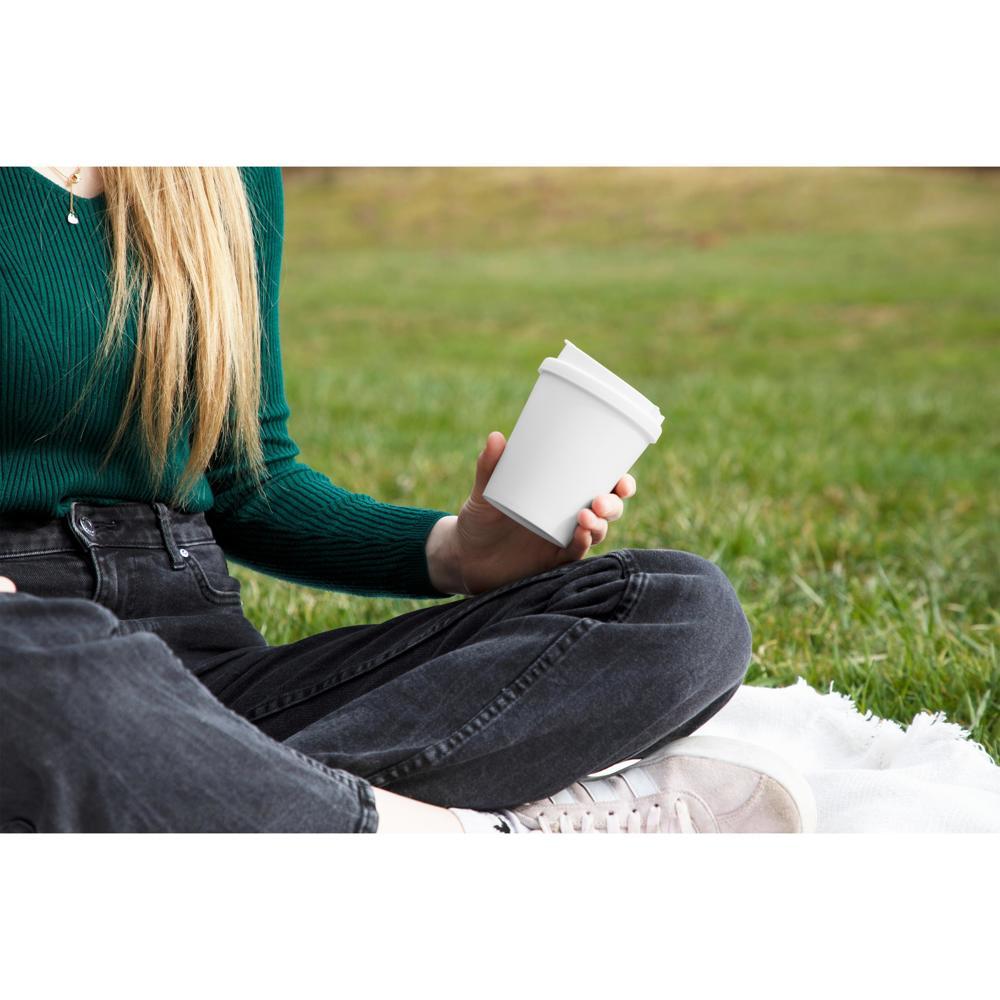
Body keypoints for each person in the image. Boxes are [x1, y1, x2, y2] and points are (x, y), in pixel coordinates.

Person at [0, 166, 816, 833]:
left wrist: (459, 552)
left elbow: (253, 482)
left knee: (677, 611)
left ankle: (197, 800)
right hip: (30, 646)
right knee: (61, 686)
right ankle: (471, 842)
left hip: (212, 670)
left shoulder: (223, 168)